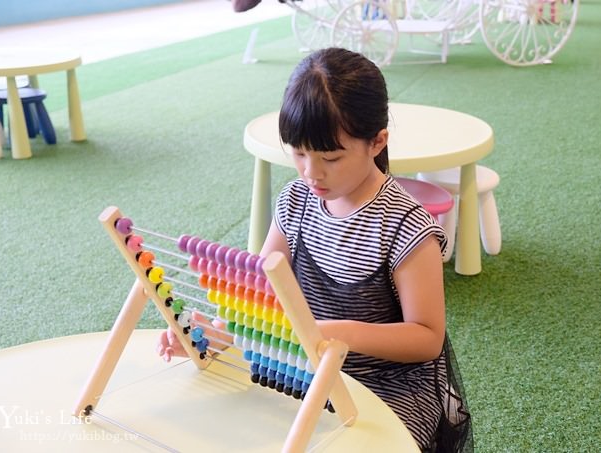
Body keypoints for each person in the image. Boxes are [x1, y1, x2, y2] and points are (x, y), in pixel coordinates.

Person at [159, 47, 471, 452]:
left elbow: (427, 338)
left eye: (331, 157)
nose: (311, 172)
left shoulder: (406, 225)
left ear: (377, 142)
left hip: (389, 386)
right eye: (299, 152)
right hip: (304, 369)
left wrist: (331, 333)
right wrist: (214, 332)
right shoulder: (294, 203)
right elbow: (262, 298)